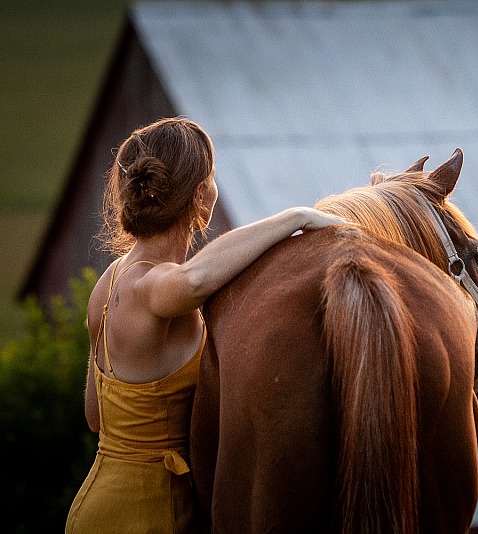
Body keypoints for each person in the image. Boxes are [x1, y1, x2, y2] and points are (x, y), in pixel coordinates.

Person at [65, 117, 346, 533]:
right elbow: (196, 279)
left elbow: (95, 417)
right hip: (150, 516)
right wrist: (295, 217)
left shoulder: (107, 283)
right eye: (212, 178)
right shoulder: (151, 287)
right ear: (201, 194)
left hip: (94, 509)